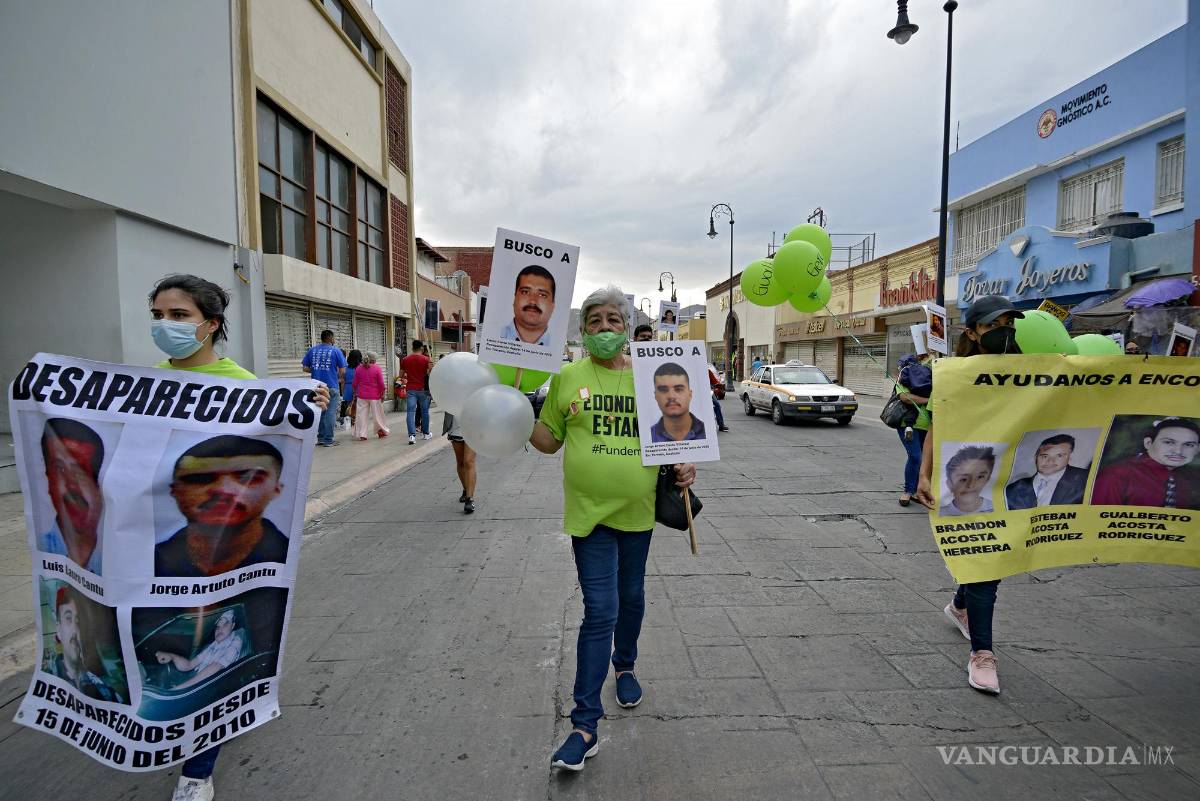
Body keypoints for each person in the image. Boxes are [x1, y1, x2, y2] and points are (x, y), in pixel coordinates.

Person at [148, 273, 326, 801]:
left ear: (211, 325)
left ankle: (196, 771)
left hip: (230, 550)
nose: (166, 325)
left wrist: (306, 401)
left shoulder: (244, 386)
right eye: (158, 315)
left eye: (179, 316)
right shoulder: (145, 385)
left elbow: (277, 441)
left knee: (212, 645)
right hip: (168, 545)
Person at [529, 285, 696, 772]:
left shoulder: (653, 376)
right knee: (599, 610)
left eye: (613, 320)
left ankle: (625, 664)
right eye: (594, 321)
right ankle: (584, 725)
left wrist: (687, 466)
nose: (604, 328)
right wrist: (515, 412)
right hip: (589, 518)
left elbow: (678, 432)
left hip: (638, 514)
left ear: (627, 326)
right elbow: (547, 442)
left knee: (633, 598)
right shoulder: (567, 377)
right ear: (584, 330)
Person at [915, 294, 1024, 696]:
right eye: (994, 325)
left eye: (1009, 324)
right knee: (985, 565)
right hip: (967, 478)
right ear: (973, 332)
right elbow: (935, 425)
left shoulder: (1034, 370)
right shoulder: (954, 375)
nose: (1003, 332)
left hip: (1012, 479)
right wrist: (923, 475)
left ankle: (961, 606)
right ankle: (983, 653)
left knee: (989, 561)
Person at [156, 435, 288, 577]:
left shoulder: (288, 556)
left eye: (249, 478)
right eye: (200, 478)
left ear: (276, 489)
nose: (224, 490)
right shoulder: (147, 564)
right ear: (175, 490)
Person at [38, 418, 105, 574]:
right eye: (59, 468)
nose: (71, 484)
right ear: (48, 479)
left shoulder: (119, 555)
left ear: (101, 488)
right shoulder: (43, 547)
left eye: (80, 471)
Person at [1092, 417, 1199, 509]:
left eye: (1188, 445)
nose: (1178, 451)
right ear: (1148, 443)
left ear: (1198, 449)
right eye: (1168, 442)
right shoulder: (1118, 474)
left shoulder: (1189, 479)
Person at [47, 586, 123, 703]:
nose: (75, 628)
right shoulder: (49, 680)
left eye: (79, 621)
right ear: (58, 629)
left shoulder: (103, 690)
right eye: (68, 618)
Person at [155, 609, 247, 690]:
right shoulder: (214, 644)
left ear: (232, 626)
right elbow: (189, 665)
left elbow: (216, 666)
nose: (220, 630)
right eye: (218, 627)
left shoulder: (236, 640)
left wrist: (180, 688)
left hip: (210, 688)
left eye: (225, 624)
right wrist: (172, 656)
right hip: (198, 683)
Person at [1005, 434, 1089, 510]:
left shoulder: (1087, 479)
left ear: (1069, 458)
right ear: (1035, 458)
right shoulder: (1012, 489)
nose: (1050, 461)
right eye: (1045, 456)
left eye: (1059, 455)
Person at [894, 353, 931, 506]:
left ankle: (917, 490)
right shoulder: (903, 378)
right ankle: (908, 491)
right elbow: (904, 397)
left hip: (927, 425)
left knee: (924, 459)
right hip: (907, 424)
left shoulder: (931, 378)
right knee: (916, 456)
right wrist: (928, 400)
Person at [301, 330, 346, 447]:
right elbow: (342, 371)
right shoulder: (336, 351)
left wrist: (316, 370)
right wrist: (338, 377)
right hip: (331, 386)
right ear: (331, 338)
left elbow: (305, 368)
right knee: (330, 413)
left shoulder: (312, 350)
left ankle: (320, 438)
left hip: (316, 387)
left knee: (320, 412)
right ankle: (328, 439)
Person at [649, 362, 706, 443]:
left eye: (678, 389)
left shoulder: (708, 433)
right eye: (663, 390)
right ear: (656, 396)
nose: (671, 396)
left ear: (690, 394)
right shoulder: (648, 437)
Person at [500, 265, 556, 345]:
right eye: (525, 292)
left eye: (542, 295)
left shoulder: (557, 349)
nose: (533, 301)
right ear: (514, 298)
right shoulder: (493, 337)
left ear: (552, 306)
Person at [940, 446, 996, 516]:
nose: (971, 485)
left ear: (987, 480)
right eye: (963, 479)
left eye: (980, 477)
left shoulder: (998, 509)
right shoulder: (940, 514)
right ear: (949, 484)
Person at [351, 351, 390, 440]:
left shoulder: (358, 368)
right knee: (378, 415)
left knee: (361, 415)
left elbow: (354, 383)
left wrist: (355, 393)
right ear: (374, 360)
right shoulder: (377, 368)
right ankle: (381, 431)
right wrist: (383, 393)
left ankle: (362, 434)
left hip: (361, 395)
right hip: (375, 396)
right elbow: (381, 384)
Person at [443, 413, 476, 513]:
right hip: (455, 426)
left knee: (468, 461)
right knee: (461, 461)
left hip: (474, 426)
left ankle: (469, 499)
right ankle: (466, 489)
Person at [400, 339, 432, 444]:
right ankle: (426, 433)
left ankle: (412, 436)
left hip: (410, 390)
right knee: (424, 412)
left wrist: (407, 376)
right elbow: (430, 374)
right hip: (423, 389)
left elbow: (401, 375)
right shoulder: (426, 359)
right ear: (422, 348)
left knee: (410, 412)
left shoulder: (405, 360)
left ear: (412, 348)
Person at [341, 349, 363, 429]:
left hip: (347, 389)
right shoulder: (361, 368)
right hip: (358, 389)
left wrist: (343, 392)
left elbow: (342, 381)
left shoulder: (345, 368)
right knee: (358, 409)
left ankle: (351, 425)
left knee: (349, 409)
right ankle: (357, 425)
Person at [707, 364, 729, 432]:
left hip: (708, 392)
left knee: (716, 405)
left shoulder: (708, 371)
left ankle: (721, 425)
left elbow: (715, 382)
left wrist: (719, 385)